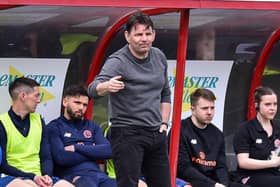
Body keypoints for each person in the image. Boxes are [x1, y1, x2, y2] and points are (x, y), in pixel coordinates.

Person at [88, 11, 171, 187]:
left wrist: (164, 124)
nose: (144, 39)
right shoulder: (118, 60)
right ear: (127, 36)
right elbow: (92, 89)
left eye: (148, 34)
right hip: (127, 133)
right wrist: (107, 86)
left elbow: (165, 93)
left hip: (156, 134)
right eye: (139, 34)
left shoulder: (159, 57)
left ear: (154, 34)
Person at [0, 77, 74, 187]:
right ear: (23, 96)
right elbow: (2, 164)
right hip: (12, 176)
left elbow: (46, 157)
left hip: (38, 177)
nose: (39, 100)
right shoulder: (2, 122)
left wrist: (47, 176)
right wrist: (31, 177)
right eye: (36, 95)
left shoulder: (39, 120)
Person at [177, 88, 250, 187]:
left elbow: (221, 167)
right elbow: (183, 168)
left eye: (212, 108)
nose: (209, 112)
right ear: (193, 109)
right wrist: (213, 185)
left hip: (214, 182)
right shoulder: (180, 130)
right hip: (190, 182)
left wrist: (223, 184)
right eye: (205, 108)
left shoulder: (217, 134)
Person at [47, 85, 117, 187]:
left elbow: (108, 151)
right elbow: (61, 157)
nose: (81, 108)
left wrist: (77, 147)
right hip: (74, 176)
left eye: (85, 105)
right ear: (65, 102)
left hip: (99, 175)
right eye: (77, 103)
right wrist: (93, 150)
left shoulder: (92, 126)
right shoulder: (54, 127)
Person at [233, 86, 280, 187]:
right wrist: (273, 163)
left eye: (275, 104)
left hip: (274, 174)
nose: (273, 108)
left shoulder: (278, 129)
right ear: (257, 105)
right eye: (268, 104)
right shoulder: (245, 129)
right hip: (250, 176)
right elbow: (243, 162)